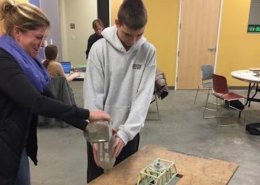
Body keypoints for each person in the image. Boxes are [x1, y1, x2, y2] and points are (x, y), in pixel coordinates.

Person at [0, 1, 111, 185]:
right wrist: (88, 113)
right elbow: (35, 101)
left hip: (16, 142)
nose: (42, 44)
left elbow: (48, 97)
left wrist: (86, 125)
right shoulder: (4, 60)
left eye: (44, 37)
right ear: (18, 32)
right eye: (38, 37)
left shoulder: (27, 63)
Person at [83, 0, 156, 182]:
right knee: (98, 179)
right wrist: (97, 135)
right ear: (117, 24)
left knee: (127, 179)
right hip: (100, 134)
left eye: (139, 35)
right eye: (127, 34)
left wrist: (125, 134)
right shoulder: (99, 49)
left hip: (129, 134)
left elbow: (143, 97)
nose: (133, 41)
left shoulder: (148, 52)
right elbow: (93, 95)